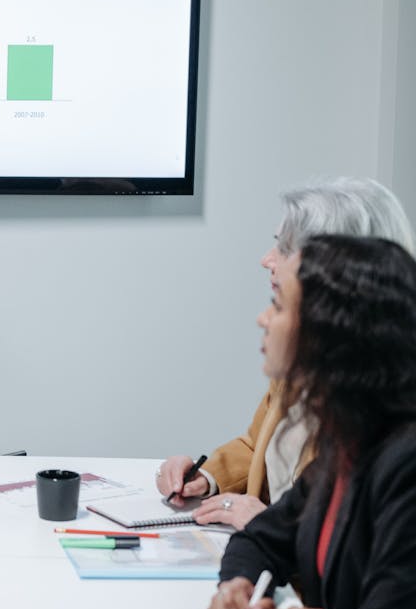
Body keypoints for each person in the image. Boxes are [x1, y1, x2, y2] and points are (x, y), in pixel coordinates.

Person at [206, 235, 416, 609]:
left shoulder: (404, 466)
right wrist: (236, 585)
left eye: (277, 306)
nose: (263, 318)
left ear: (328, 334)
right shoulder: (350, 439)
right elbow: (263, 538)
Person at [156, 178, 413, 529]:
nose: (267, 260)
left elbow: (351, 543)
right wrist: (208, 477)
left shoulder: (384, 417)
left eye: (285, 249)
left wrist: (271, 528)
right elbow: (258, 449)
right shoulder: (305, 362)